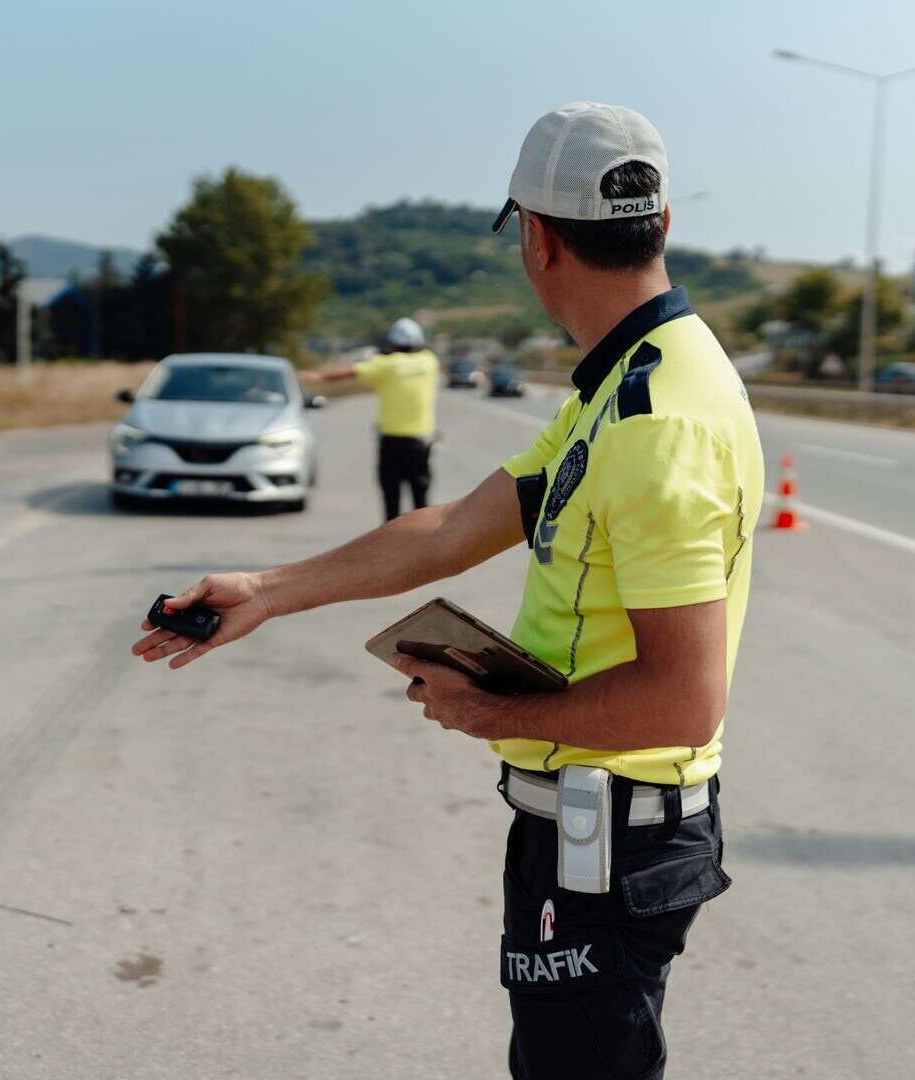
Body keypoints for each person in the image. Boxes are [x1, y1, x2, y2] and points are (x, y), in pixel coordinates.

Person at [133, 101, 764, 1080]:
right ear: (663, 224)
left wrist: (483, 707)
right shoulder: (625, 381)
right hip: (582, 826)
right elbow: (460, 525)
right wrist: (269, 587)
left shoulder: (659, 419)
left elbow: (685, 700)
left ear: (538, 239)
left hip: (613, 842)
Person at [315, 317, 440, 520]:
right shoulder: (430, 361)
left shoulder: (385, 364)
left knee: (391, 502)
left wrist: (317, 376)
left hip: (391, 442)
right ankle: (424, 549)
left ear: (392, 342)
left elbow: (349, 372)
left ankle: (391, 548)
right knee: (421, 501)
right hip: (421, 442)